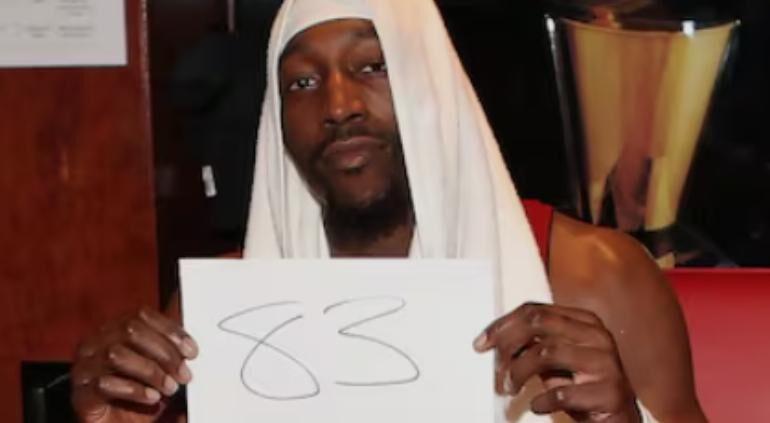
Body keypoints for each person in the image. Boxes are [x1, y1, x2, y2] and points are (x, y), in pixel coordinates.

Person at [70, 0, 705, 422]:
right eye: (302, 82)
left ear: (435, 86)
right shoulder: (216, 316)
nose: (338, 105)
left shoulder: (597, 278)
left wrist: (624, 420)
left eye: (373, 66)